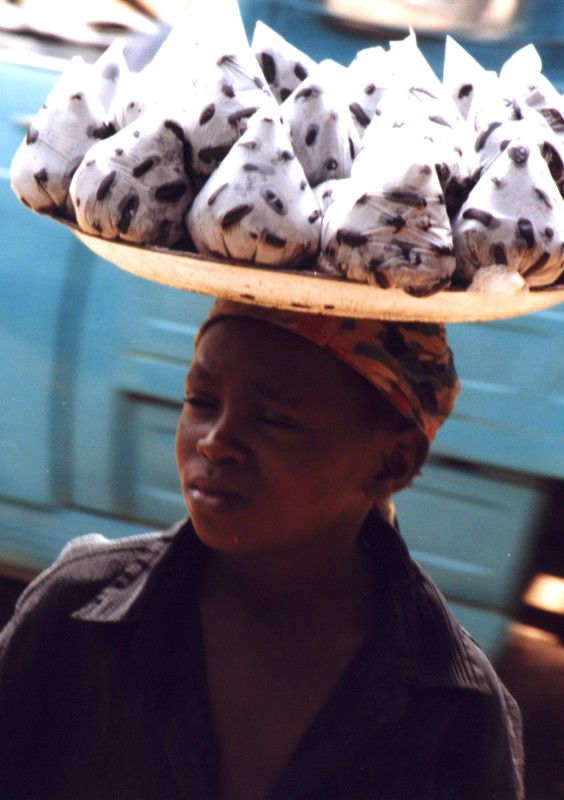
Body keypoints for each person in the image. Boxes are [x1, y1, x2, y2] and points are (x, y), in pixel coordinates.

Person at [0, 299, 523, 800]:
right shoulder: (73, 618)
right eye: (202, 402)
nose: (214, 441)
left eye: (274, 418)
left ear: (392, 463)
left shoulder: (460, 709)